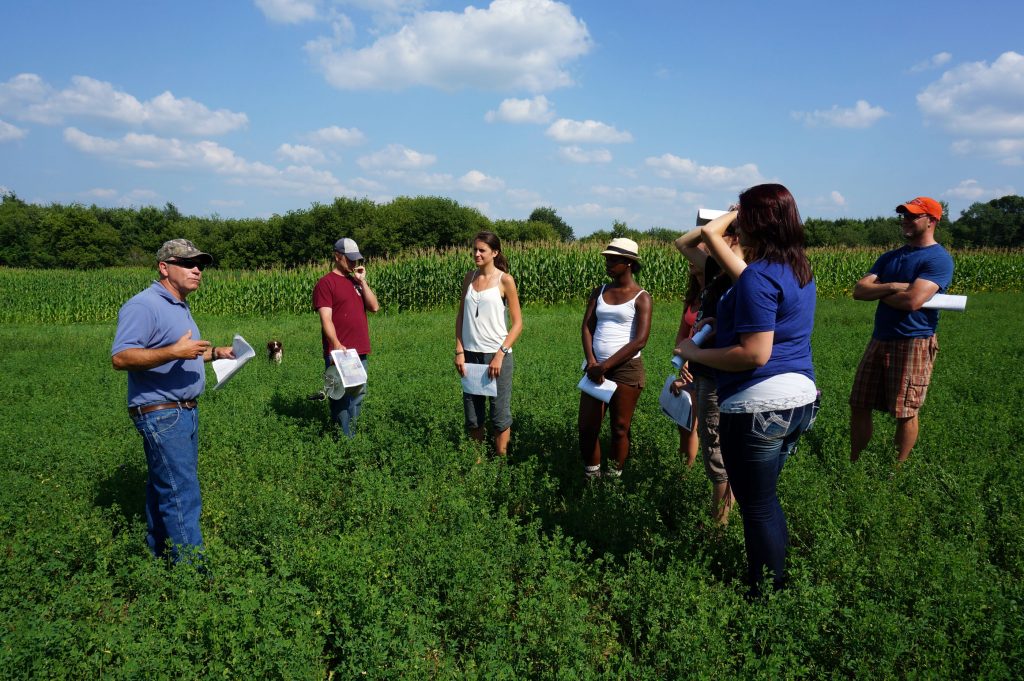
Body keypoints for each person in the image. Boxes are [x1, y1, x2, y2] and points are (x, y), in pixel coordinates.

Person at [676, 184, 817, 596]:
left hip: (760, 405)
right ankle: (775, 578)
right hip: (800, 401)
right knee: (764, 501)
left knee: (756, 506)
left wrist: (694, 353)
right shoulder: (797, 268)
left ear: (755, 221)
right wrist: (724, 327)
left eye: (744, 217)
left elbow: (755, 354)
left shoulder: (757, 275)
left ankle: (766, 590)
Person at [111, 239, 236, 562]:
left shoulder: (178, 305)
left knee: (162, 488)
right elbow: (122, 357)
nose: (197, 270)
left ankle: (160, 557)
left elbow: (181, 355)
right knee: (182, 494)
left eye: (201, 265)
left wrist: (214, 353)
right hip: (162, 413)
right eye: (188, 263)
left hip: (183, 412)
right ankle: (192, 575)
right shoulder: (144, 305)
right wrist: (175, 351)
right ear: (164, 267)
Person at [849, 196, 954, 463]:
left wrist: (881, 292)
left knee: (906, 409)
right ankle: (855, 461)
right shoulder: (890, 257)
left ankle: (896, 471)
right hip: (880, 338)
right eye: (903, 216)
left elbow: (912, 301)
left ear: (931, 221)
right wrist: (895, 285)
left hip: (914, 341)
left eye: (912, 216)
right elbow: (859, 291)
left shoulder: (938, 259)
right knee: (859, 403)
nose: (905, 221)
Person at [673, 211, 747, 524]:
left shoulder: (744, 273)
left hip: (720, 372)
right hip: (703, 370)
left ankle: (721, 523)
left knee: (717, 449)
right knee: (712, 446)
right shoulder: (715, 268)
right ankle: (724, 514)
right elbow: (682, 242)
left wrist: (732, 220)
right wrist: (729, 215)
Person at [579, 238, 653, 480]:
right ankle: (592, 477)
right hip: (595, 368)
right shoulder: (599, 291)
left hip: (626, 370)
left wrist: (605, 366)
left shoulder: (641, 297)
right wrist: (592, 363)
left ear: (629, 263)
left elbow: (640, 340)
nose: (608, 263)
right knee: (588, 427)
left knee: (620, 428)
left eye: (613, 259)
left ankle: (613, 481)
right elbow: (587, 327)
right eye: (607, 258)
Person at [454, 231, 523, 457]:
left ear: (494, 253)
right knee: (473, 415)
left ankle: (501, 461)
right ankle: (477, 462)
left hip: (496, 357)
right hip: (471, 356)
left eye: (482, 250)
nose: (476, 254)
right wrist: (459, 351)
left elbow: (518, 324)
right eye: (474, 249)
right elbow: (461, 317)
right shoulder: (469, 277)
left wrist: (500, 354)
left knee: (499, 414)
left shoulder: (505, 280)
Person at [313, 237, 380, 437]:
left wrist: (363, 281)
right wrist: (336, 344)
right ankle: (343, 440)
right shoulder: (326, 284)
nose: (354, 263)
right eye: (349, 259)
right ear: (337, 256)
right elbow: (326, 319)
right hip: (340, 352)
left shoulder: (355, 282)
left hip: (359, 351)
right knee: (340, 397)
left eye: (356, 259)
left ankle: (353, 435)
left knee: (358, 395)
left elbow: (374, 307)